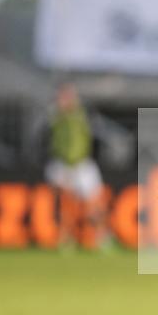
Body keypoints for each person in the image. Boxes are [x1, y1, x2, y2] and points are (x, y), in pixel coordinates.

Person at [45, 82, 106, 248]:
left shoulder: (80, 115)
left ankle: (100, 236)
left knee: (93, 203)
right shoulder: (56, 117)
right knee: (65, 203)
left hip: (81, 163)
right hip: (63, 163)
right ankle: (66, 238)